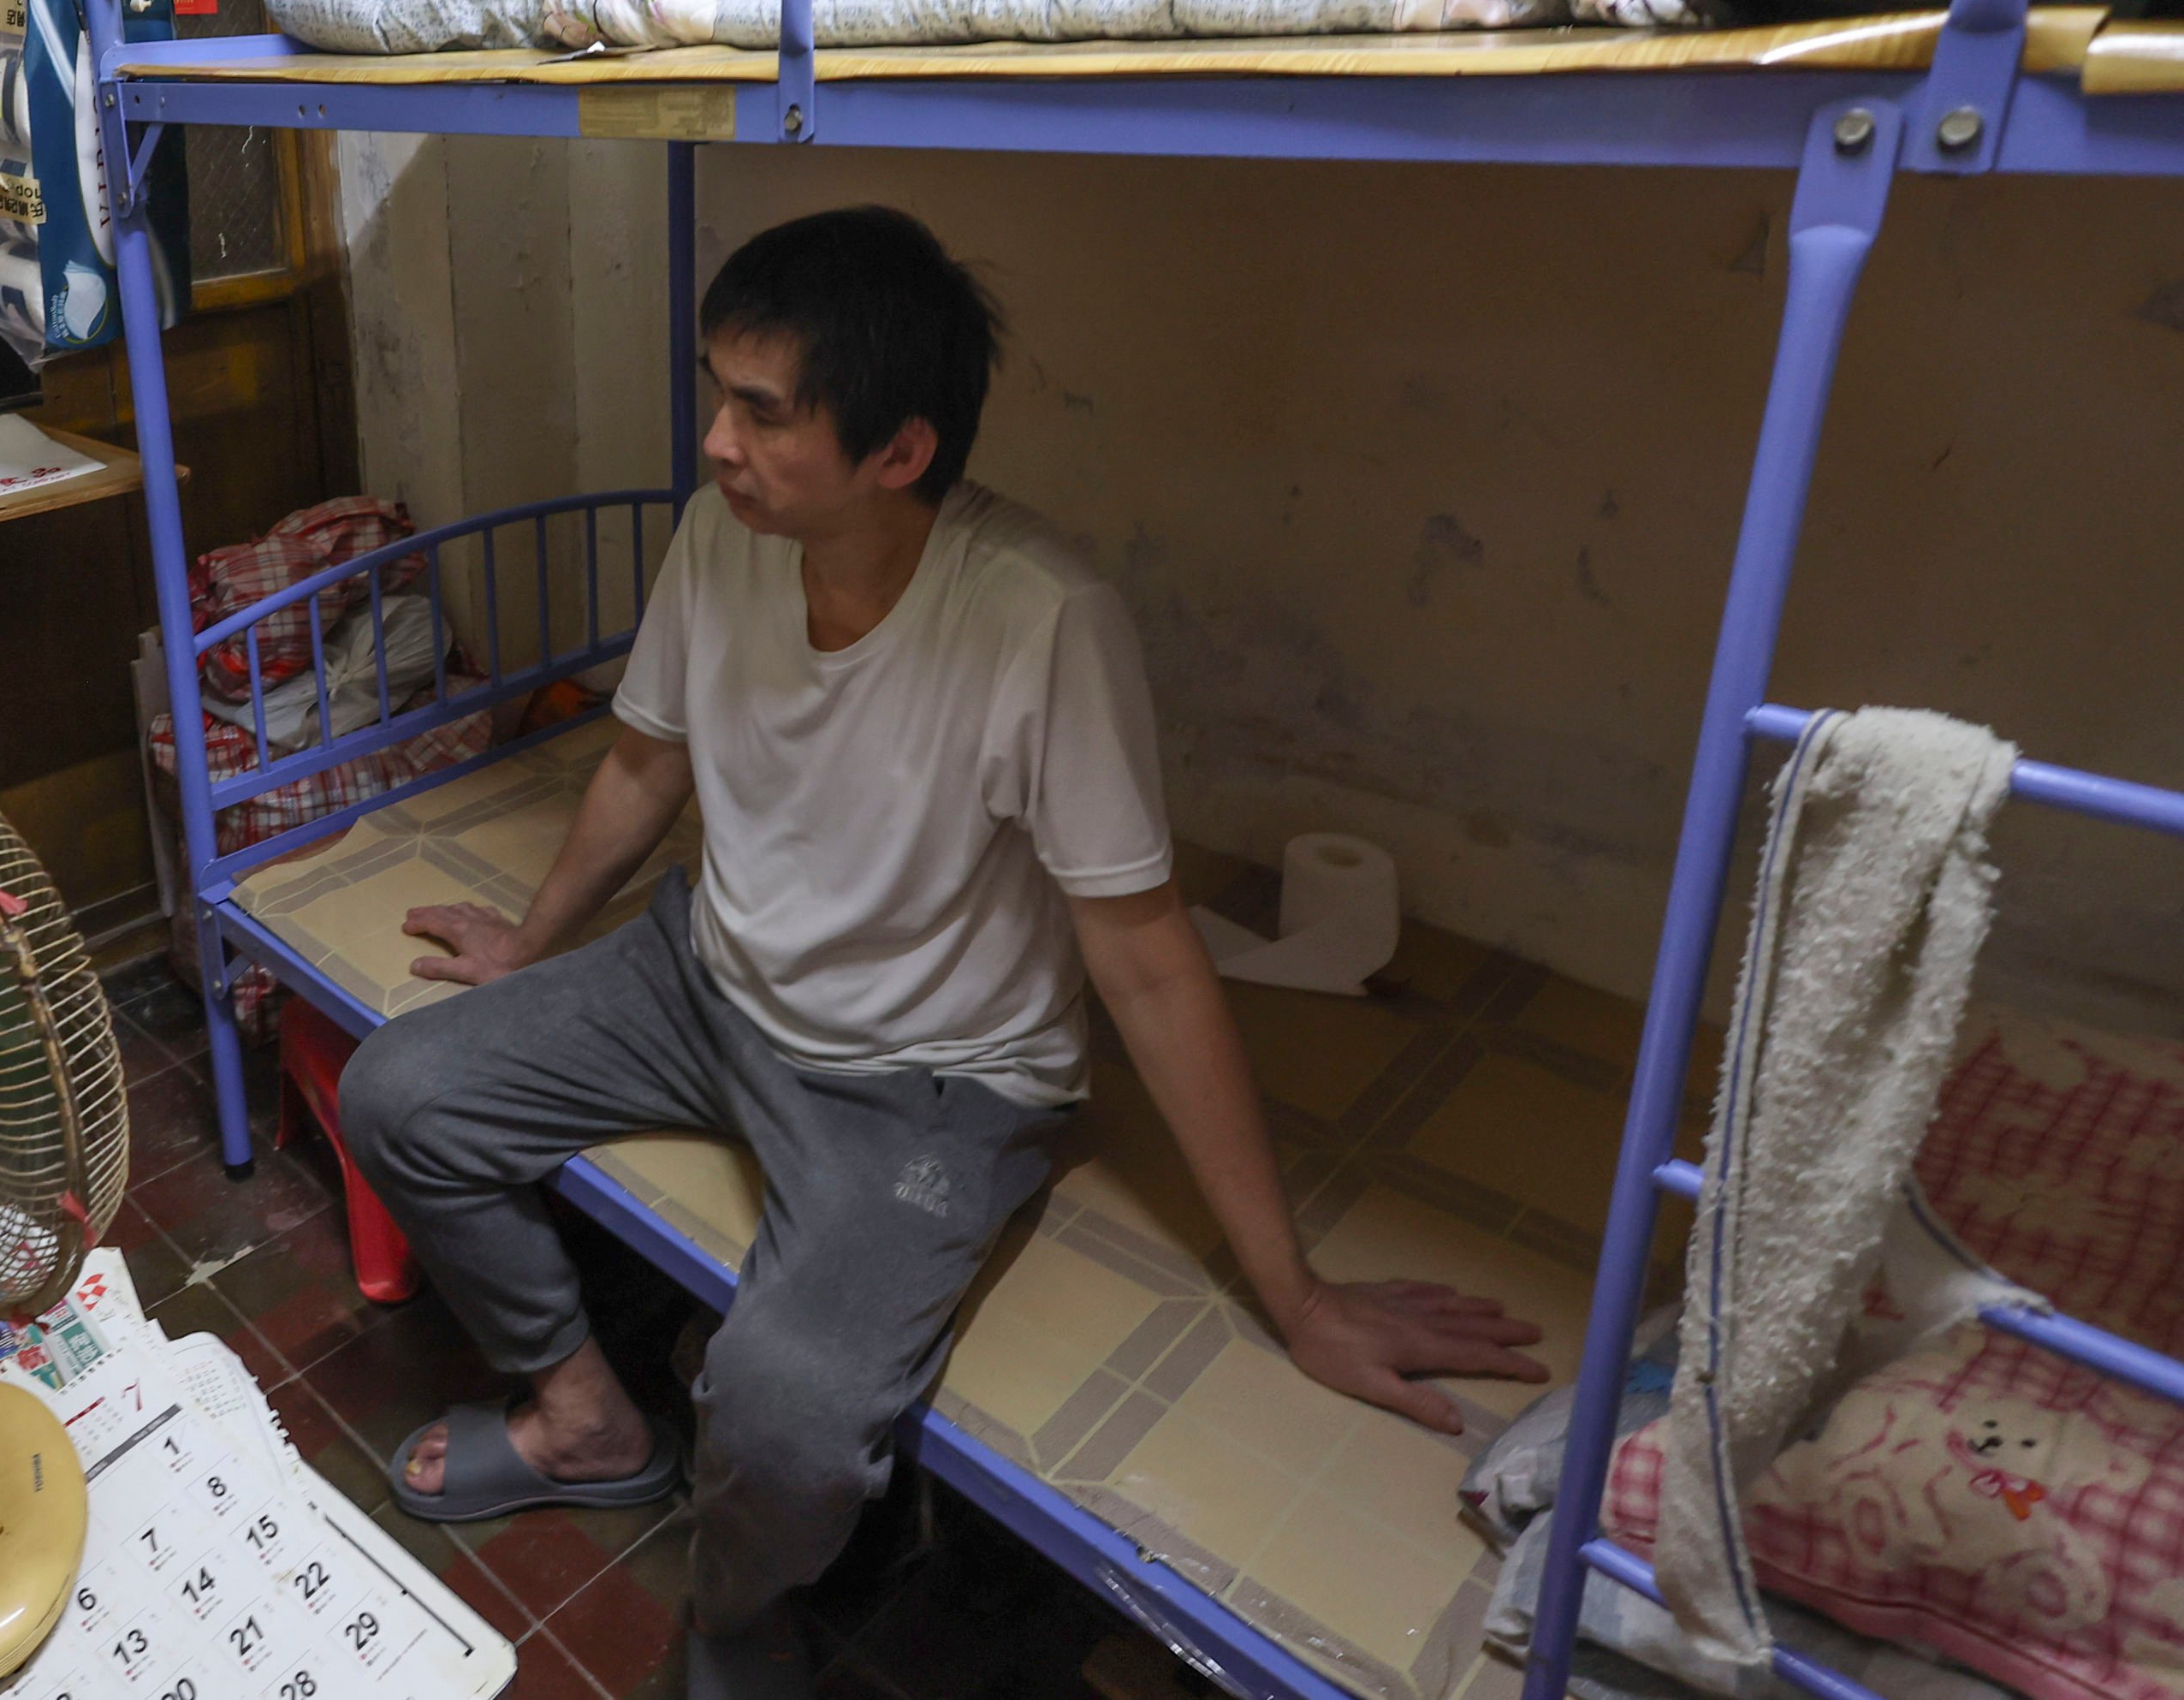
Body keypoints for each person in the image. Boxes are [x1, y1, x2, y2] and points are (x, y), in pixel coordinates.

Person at [339, 205, 1548, 1700]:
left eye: (762, 413)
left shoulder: (1041, 622)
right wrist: (529, 939)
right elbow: (646, 764)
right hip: (704, 977)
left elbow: (1151, 957)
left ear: (899, 451)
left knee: (782, 1413)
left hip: (927, 1080)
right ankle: (589, 1419)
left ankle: (729, 1613)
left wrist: (1293, 1291)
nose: (715, 440)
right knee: (400, 1089)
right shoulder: (725, 534)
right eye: (718, 390)